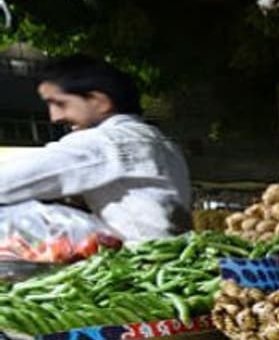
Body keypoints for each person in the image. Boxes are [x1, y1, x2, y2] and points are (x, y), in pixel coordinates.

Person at [0, 55, 192, 241]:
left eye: (60, 103)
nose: (54, 117)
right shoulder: (158, 140)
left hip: (143, 264)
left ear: (100, 102)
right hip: (171, 256)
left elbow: (9, 180)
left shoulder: (106, 142)